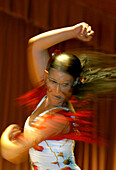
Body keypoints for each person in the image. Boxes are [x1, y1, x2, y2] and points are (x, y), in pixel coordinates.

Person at [1, 22, 95, 170]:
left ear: (75, 83)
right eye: (53, 81)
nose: (57, 90)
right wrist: (73, 32)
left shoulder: (59, 119)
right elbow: (36, 45)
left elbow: (12, 152)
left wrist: (5, 136)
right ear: (46, 76)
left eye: (65, 84)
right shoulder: (45, 95)